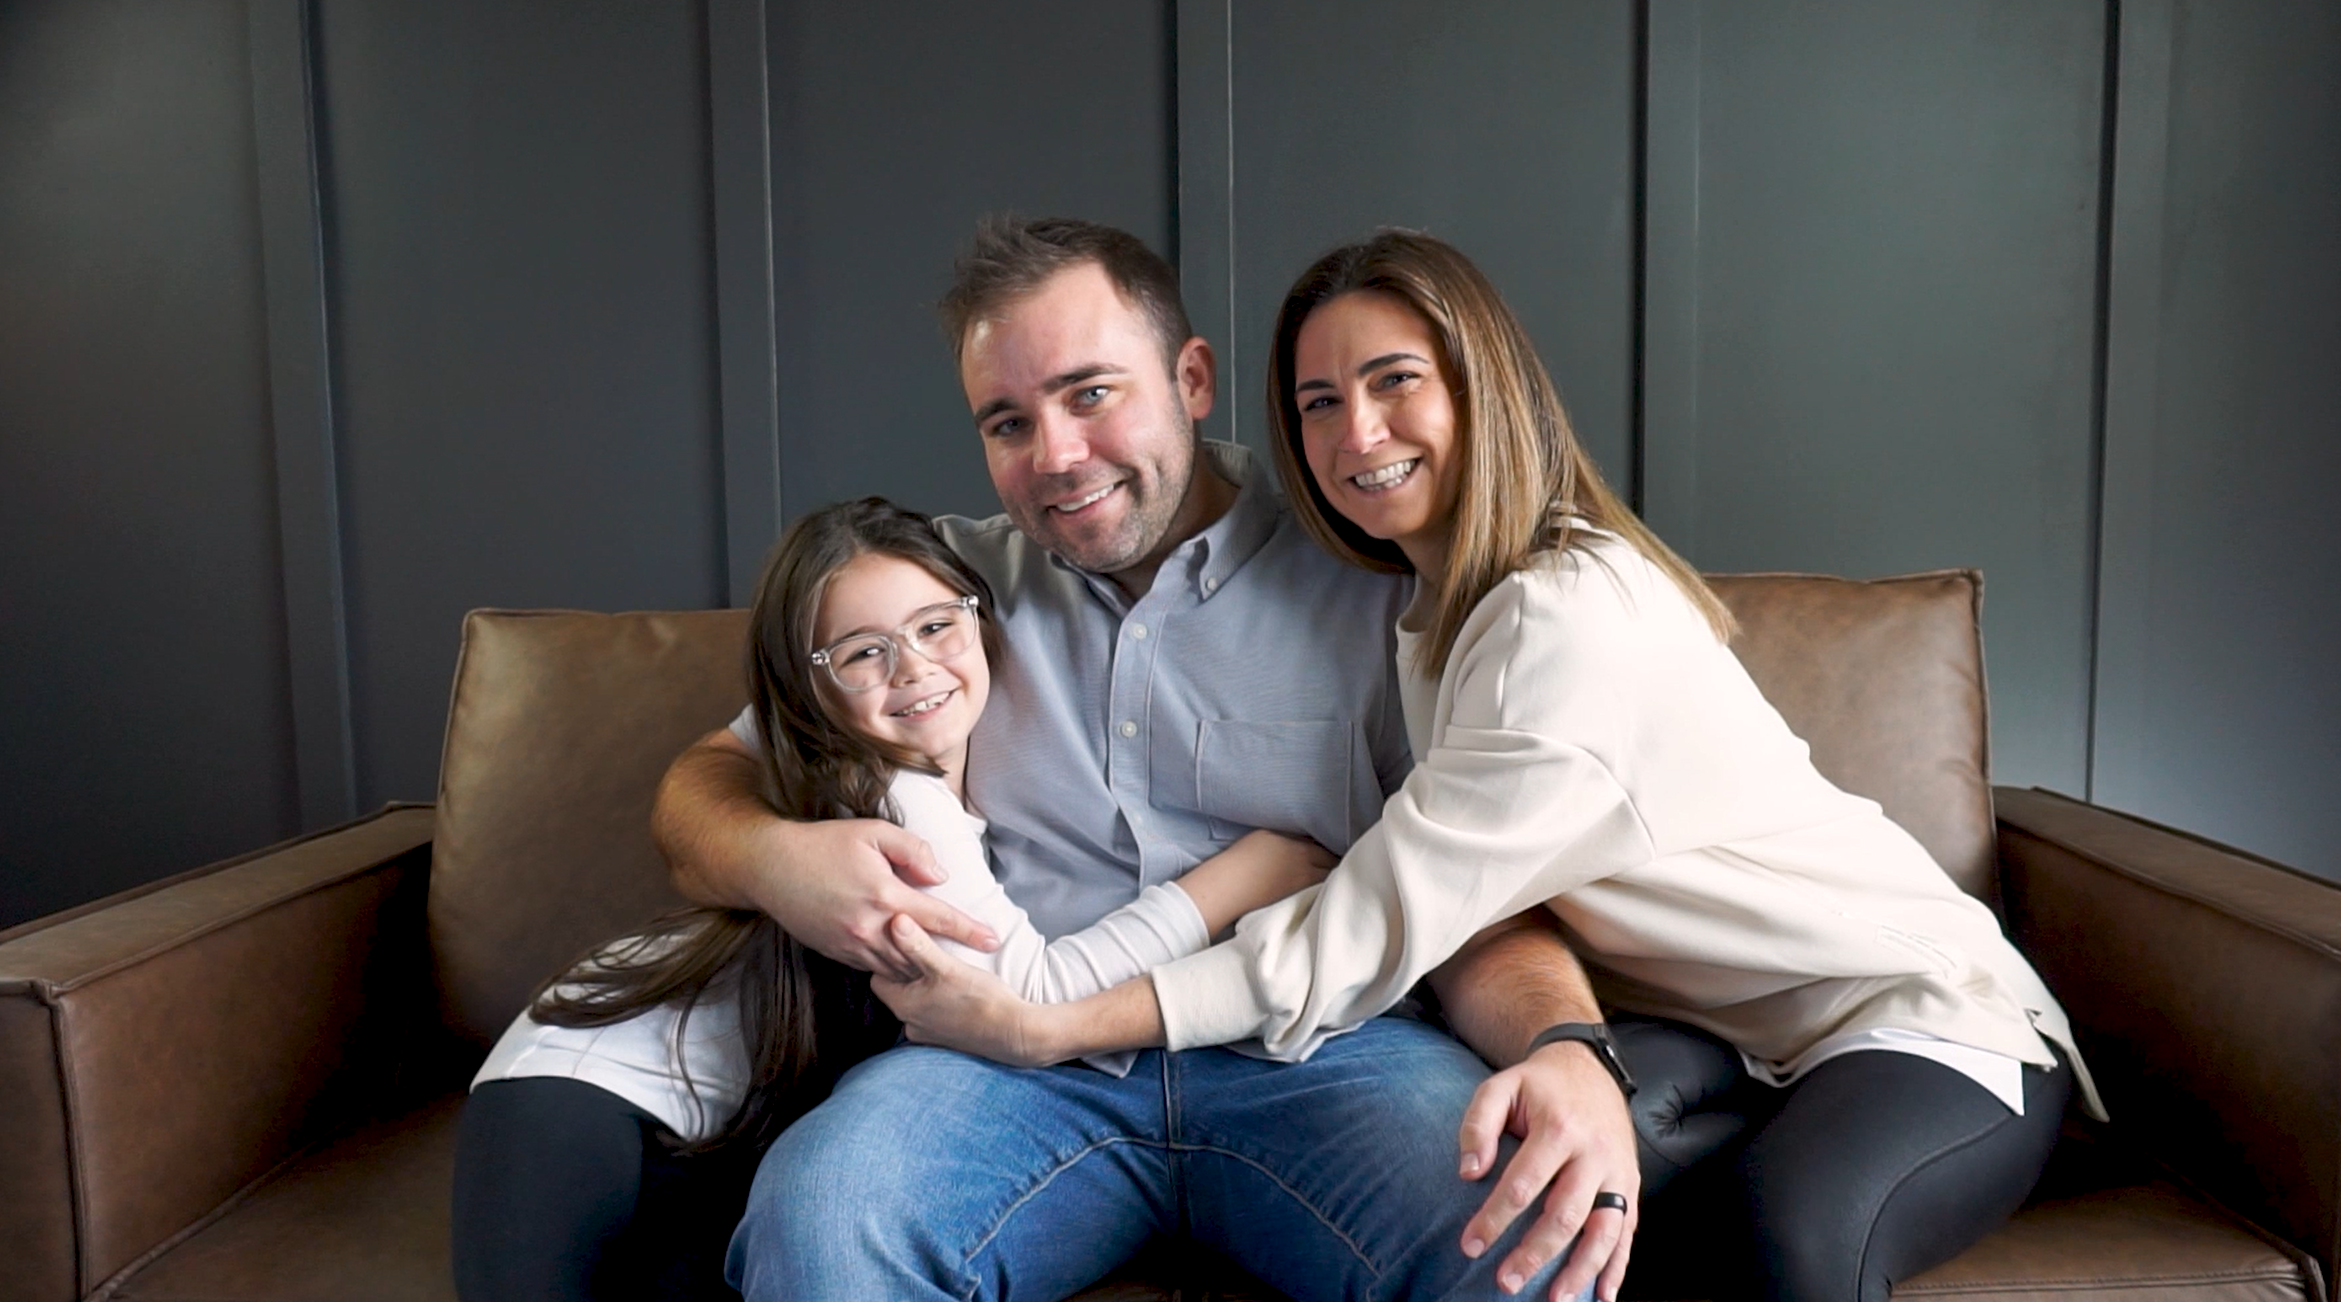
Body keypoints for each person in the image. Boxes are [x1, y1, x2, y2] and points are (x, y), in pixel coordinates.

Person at [873, 230, 2107, 1302]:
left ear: (1483, 387)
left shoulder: (1564, 617)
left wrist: (1053, 1025)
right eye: (1316, 402)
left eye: (1394, 382)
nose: (1356, 435)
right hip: (1733, 1038)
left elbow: (1371, 917)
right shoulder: (1426, 609)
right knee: (1537, 1196)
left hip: (1918, 1020)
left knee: (1790, 1227)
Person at [655, 216, 1641, 1301]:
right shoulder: (940, 599)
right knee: (823, 1218)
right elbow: (709, 781)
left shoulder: (1376, 578)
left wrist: (1568, 1046)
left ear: (1193, 377)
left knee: (1526, 1239)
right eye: (1008, 422)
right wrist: (772, 861)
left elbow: (1475, 894)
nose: (1057, 458)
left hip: (1323, 1054)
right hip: (1001, 1074)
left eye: (1091, 394)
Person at [451, 497, 1334, 1301]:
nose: (914, 668)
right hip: (582, 1090)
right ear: (812, 688)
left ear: (977, 619)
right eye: (865, 652)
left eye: (934, 626)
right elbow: (1031, 992)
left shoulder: (941, 781)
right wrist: (1241, 875)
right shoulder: (894, 800)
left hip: (714, 1135)